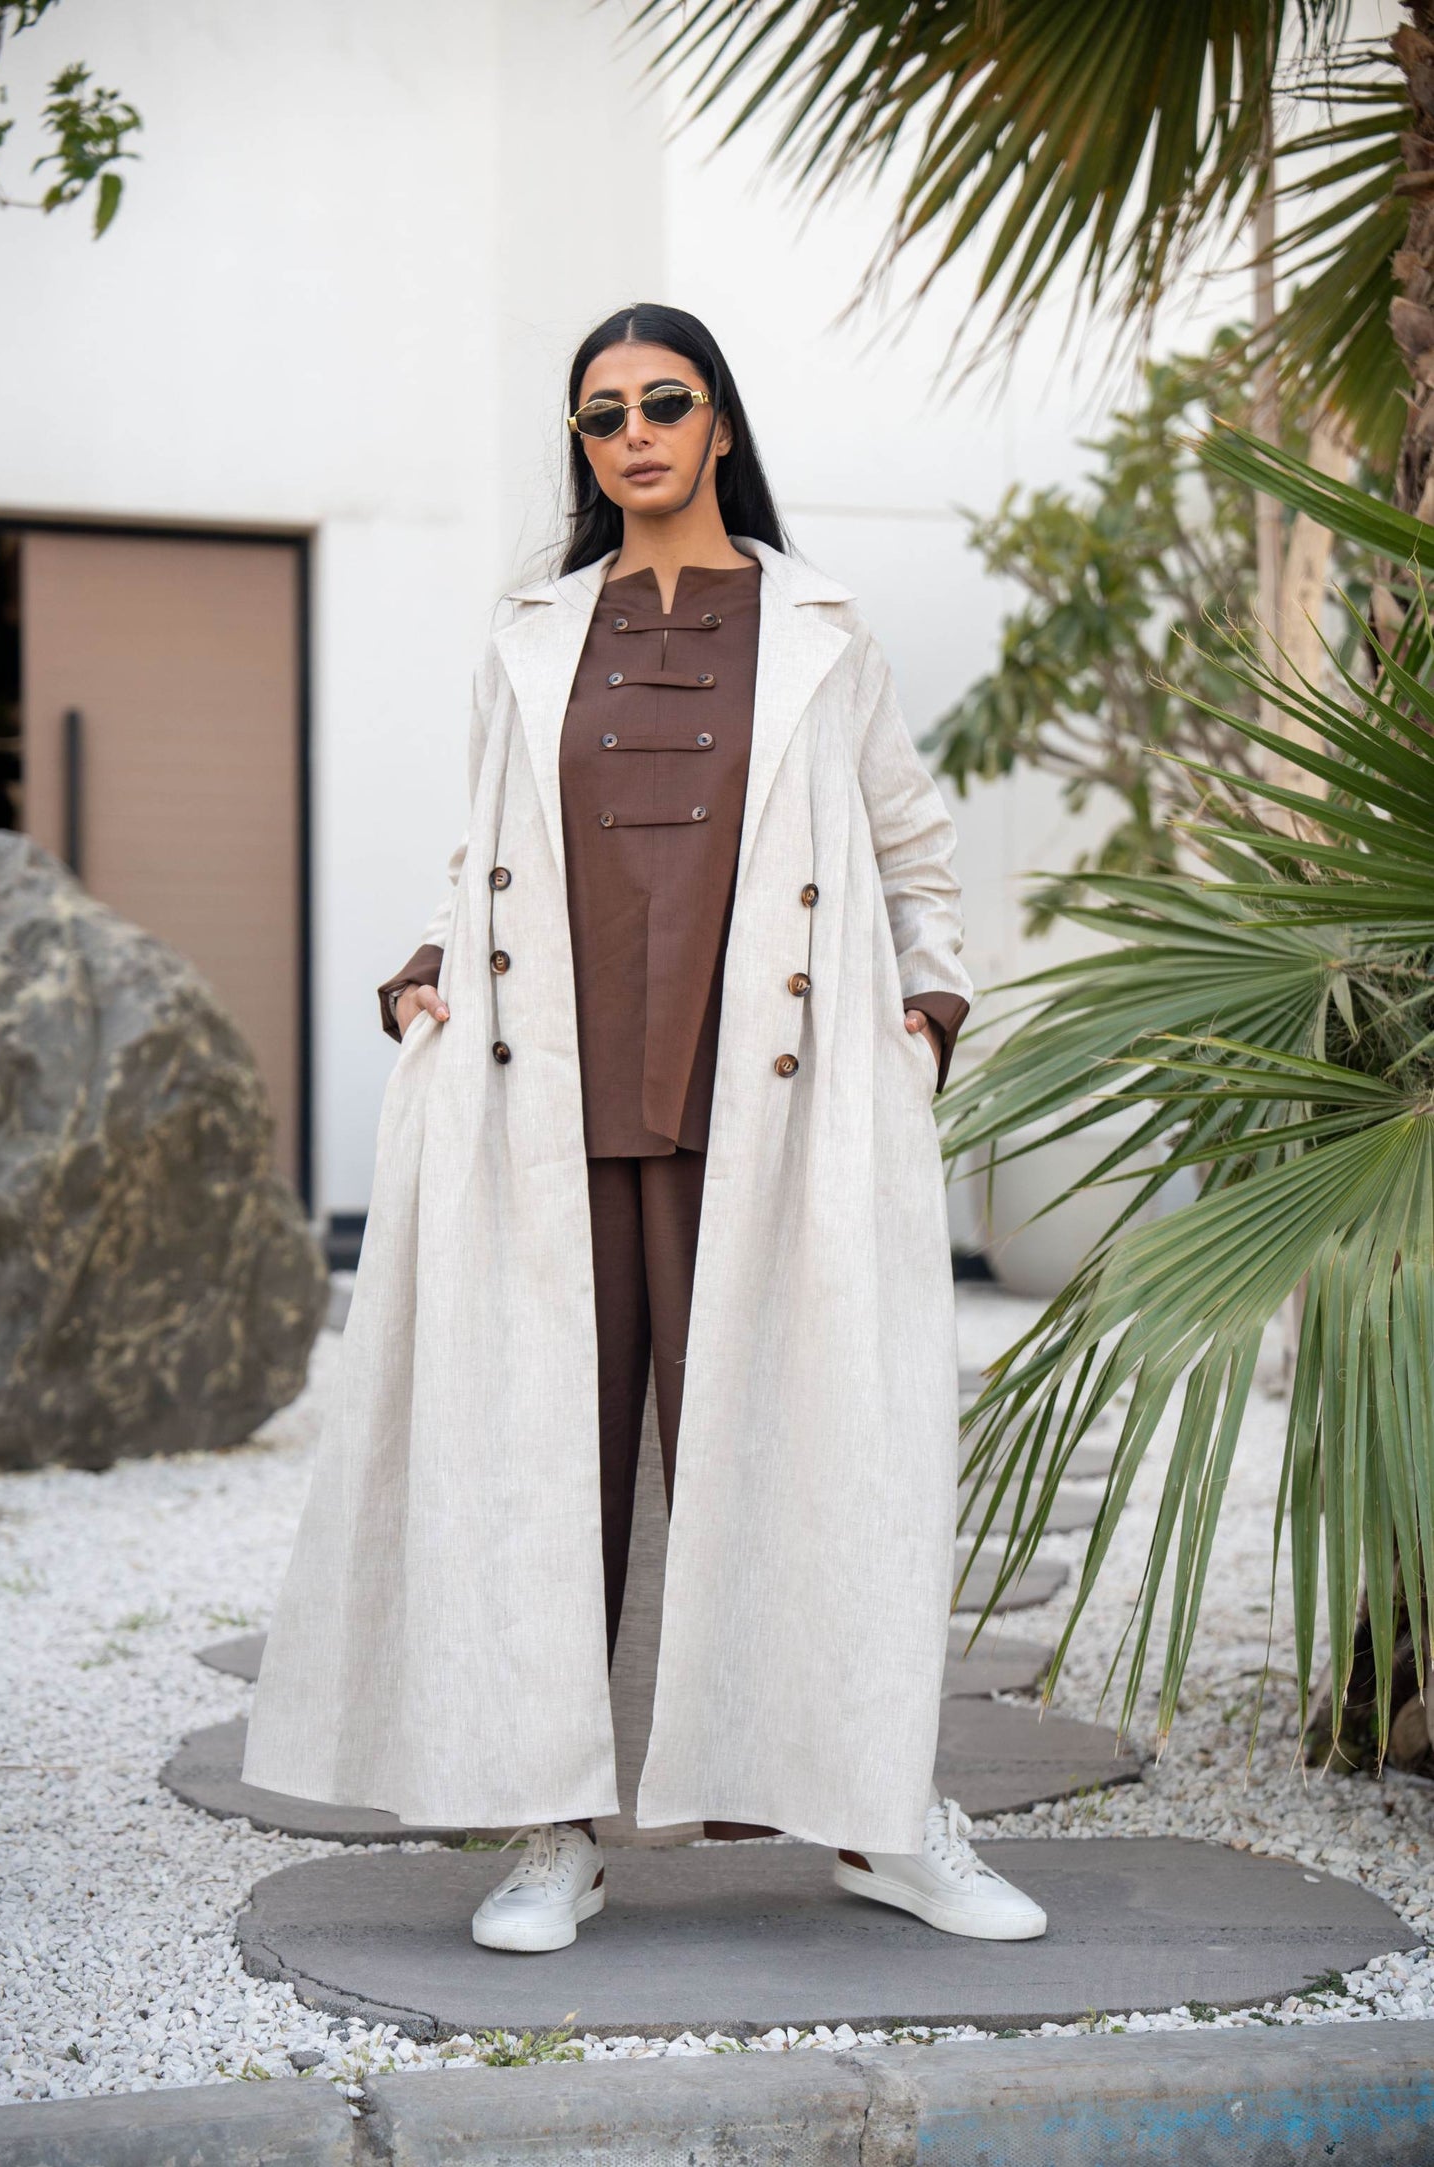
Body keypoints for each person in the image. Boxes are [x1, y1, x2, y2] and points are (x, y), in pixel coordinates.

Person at [241, 303, 1046, 1955]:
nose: (632, 435)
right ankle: (556, 1823)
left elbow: (911, 849)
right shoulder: (529, 632)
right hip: (547, 1096)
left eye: (662, 402)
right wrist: (425, 968)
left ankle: (877, 1816)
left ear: (719, 423)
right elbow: (480, 847)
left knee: (819, 1459)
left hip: (777, 1109)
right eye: (600, 415)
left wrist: (927, 1008)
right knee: (547, 1472)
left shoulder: (823, 630)